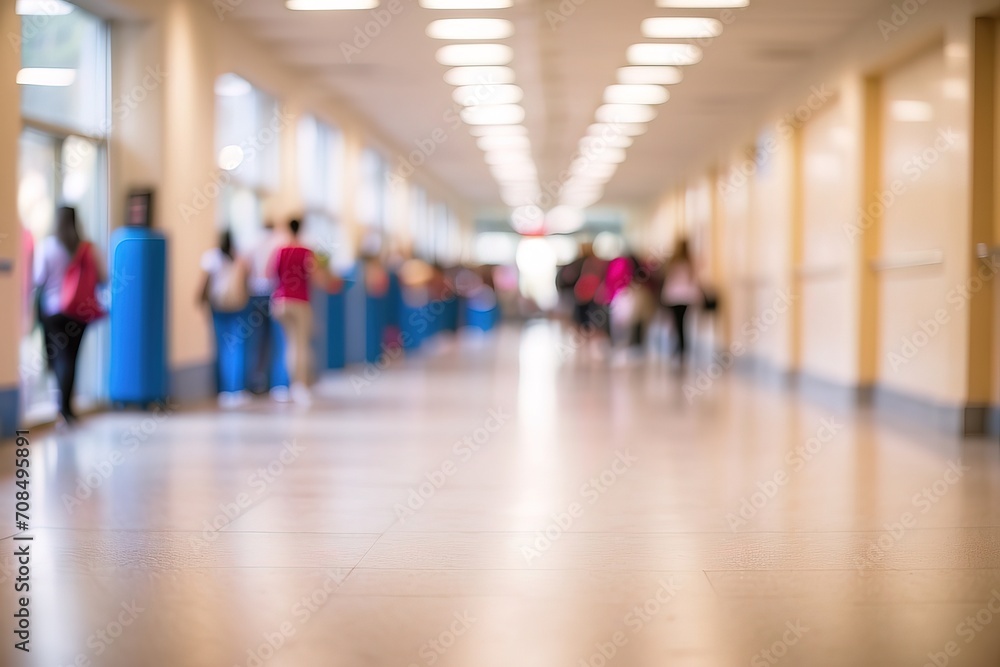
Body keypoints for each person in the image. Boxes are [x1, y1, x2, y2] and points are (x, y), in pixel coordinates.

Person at [33, 207, 106, 426]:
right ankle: (67, 410)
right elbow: (102, 277)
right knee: (72, 357)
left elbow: (38, 279)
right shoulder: (87, 248)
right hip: (79, 312)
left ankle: (62, 409)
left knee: (58, 358)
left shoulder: (48, 246)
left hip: (53, 312)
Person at [267, 218, 324, 406]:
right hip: (300, 302)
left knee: (285, 345)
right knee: (299, 345)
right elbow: (315, 277)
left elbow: (269, 274)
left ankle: (282, 385)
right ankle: (299, 386)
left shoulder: (280, 251)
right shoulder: (307, 252)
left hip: (280, 302)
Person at [199, 230, 250, 408]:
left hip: (217, 306)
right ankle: (237, 389)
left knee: (221, 347)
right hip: (237, 306)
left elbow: (204, 283)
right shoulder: (239, 257)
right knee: (237, 346)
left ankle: (224, 390)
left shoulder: (211, 258)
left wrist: (200, 300)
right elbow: (245, 283)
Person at [245, 221, 289, 399]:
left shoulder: (252, 242)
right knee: (280, 340)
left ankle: (257, 381)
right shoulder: (281, 242)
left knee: (257, 341)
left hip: (254, 295)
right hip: (274, 294)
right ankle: (279, 385)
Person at [661, 238, 701, 365]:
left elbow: (669, 279)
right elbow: (693, 280)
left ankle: (679, 349)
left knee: (677, 324)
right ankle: (682, 349)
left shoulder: (673, 261)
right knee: (683, 323)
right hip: (686, 297)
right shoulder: (690, 262)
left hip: (674, 297)